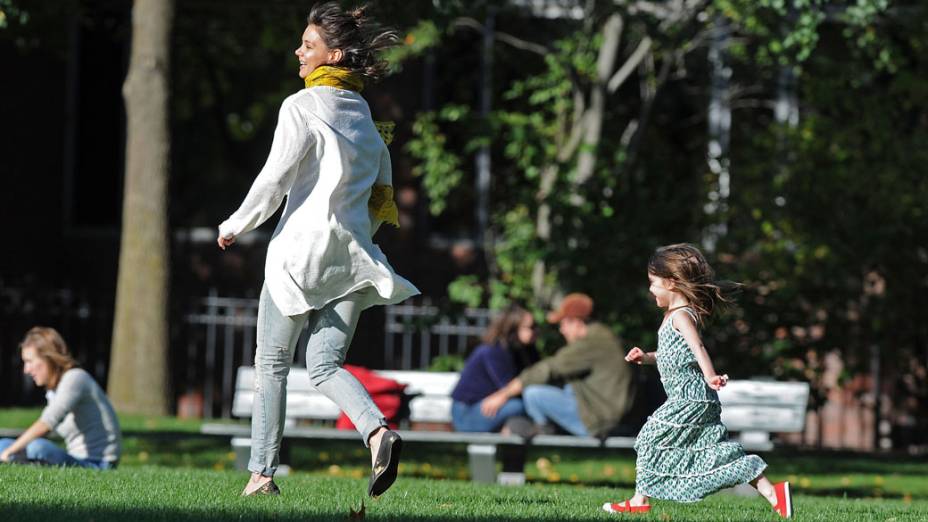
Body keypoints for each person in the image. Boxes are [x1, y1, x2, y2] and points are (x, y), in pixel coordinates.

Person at [216, 2, 418, 498]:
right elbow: (383, 196)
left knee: (272, 364)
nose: (298, 52)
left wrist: (236, 223)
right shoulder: (368, 120)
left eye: (308, 45)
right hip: (351, 257)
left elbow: (275, 178)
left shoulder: (300, 106)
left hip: (298, 256)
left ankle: (262, 475)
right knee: (325, 365)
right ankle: (376, 431)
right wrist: (359, 233)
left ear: (336, 53)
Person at [603, 243, 792, 518]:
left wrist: (710, 375)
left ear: (671, 283)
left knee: (649, 436)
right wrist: (646, 357)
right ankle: (774, 493)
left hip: (690, 398)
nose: (650, 290)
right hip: (691, 398)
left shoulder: (681, 315)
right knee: (709, 450)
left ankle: (639, 501)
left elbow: (698, 348)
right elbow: (673, 355)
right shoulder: (674, 315)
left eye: (653, 284)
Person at [480, 293, 636, 438]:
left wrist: (503, 394)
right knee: (566, 386)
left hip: (600, 420)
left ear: (576, 322)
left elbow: (547, 369)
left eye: (563, 324)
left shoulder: (591, 344)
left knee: (532, 393)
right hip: (608, 412)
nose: (562, 330)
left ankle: (544, 431)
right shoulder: (603, 336)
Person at [0, 327, 121, 469]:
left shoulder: (75, 378)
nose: (26, 370)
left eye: (30, 361)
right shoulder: (54, 390)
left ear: (49, 358)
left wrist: (9, 452)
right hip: (76, 458)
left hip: (99, 464)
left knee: (37, 448)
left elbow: (46, 423)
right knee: (3, 444)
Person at [450, 304, 539, 433]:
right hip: (468, 412)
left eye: (536, 326)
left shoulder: (522, 350)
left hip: (490, 406)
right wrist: (504, 395)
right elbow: (512, 388)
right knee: (525, 404)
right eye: (530, 327)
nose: (536, 331)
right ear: (513, 328)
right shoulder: (494, 350)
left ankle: (512, 434)